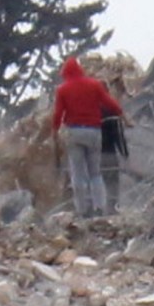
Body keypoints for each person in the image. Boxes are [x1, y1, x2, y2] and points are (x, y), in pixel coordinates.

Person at [53, 56, 124, 217]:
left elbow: (58, 114)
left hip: (75, 133)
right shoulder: (94, 85)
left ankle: (82, 209)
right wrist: (122, 114)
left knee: (77, 173)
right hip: (94, 132)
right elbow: (109, 102)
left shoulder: (62, 90)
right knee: (95, 172)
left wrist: (55, 131)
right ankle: (100, 207)